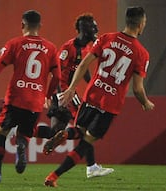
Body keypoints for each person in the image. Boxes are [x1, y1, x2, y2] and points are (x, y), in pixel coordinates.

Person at [44, 6, 155, 187]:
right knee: (87, 142)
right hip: (110, 103)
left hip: (92, 94)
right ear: (141, 24)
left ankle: (65, 134)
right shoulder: (142, 53)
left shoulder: (106, 38)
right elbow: (137, 88)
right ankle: (53, 176)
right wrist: (145, 103)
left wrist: (72, 88)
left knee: (79, 131)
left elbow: (83, 65)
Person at [0, 10, 60, 183]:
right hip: (36, 101)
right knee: (25, 133)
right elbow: (58, 77)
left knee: (0, 131)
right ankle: (22, 145)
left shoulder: (15, 43)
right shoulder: (51, 48)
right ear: (40, 26)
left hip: (15, 98)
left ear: (22, 25)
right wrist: (47, 96)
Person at [39, 14, 114, 178]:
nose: (96, 29)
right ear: (84, 29)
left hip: (66, 93)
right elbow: (57, 73)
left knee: (54, 131)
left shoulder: (86, 48)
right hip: (64, 92)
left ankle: (24, 131)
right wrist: (63, 94)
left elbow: (84, 69)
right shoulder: (68, 48)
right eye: (93, 26)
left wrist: (92, 85)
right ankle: (91, 166)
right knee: (84, 128)